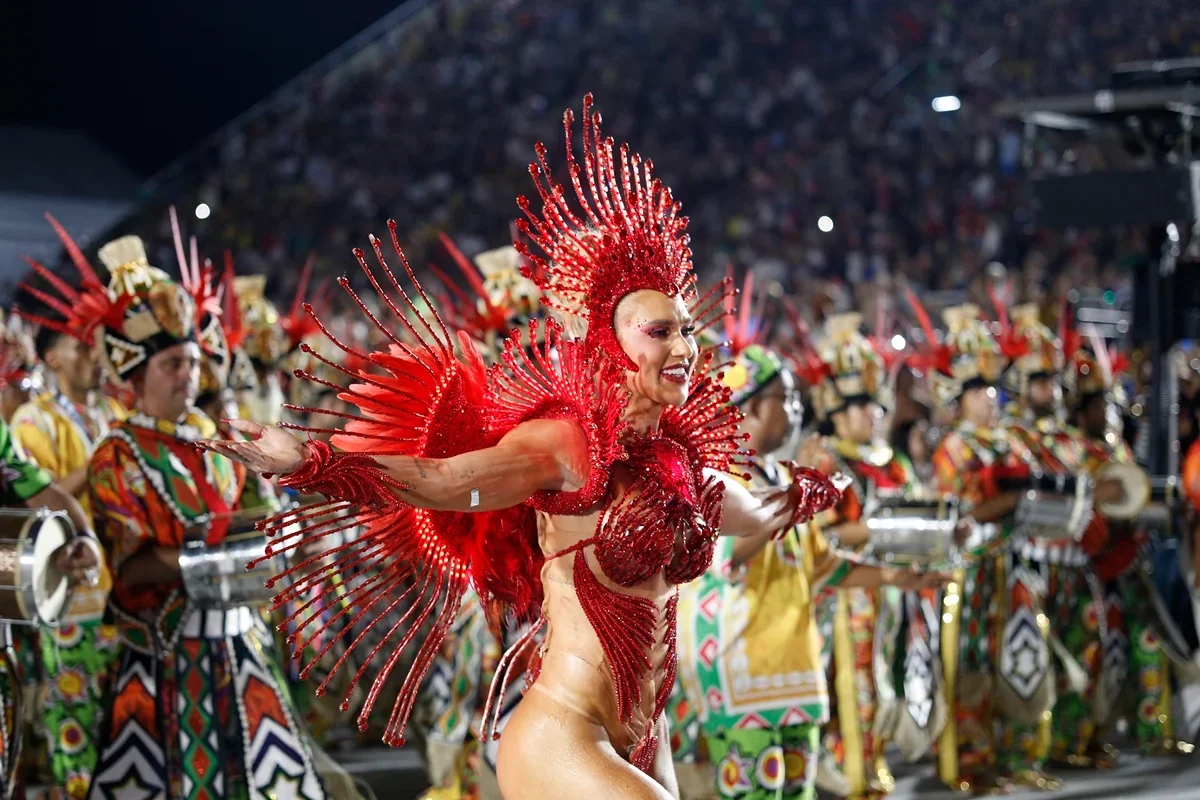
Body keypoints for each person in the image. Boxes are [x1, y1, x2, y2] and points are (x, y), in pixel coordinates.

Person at [201, 95, 845, 799]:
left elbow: (749, 509)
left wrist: (809, 493)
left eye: (687, 329)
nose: (685, 348)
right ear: (607, 341)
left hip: (645, 734)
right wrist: (317, 463)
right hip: (564, 736)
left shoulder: (679, 456)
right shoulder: (568, 443)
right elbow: (444, 479)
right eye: (660, 332)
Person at [85, 235, 328, 799]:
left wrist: (287, 527)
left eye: (193, 362)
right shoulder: (116, 454)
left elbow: (261, 516)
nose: (188, 375)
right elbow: (130, 564)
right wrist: (220, 560)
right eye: (172, 364)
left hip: (239, 642)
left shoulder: (217, 443)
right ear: (136, 375)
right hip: (164, 655)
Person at [9, 215, 127, 798]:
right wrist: (105, 456)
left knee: (119, 734)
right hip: (65, 594)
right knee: (74, 730)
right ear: (52, 358)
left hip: (118, 590)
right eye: (82, 348)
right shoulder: (33, 422)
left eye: (98, 347)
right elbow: (39, 508)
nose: (95, 358)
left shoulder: (114, 415)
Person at [999, 304, 1122, 782]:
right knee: (1029, 655)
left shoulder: (1073, 442)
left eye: (1052, 381)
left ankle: (1069, 743)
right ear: (1020, 385)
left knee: (1087, 648)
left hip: (1074, 563)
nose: (1048, 390)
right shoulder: (1010, 438)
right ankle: (1023, 754)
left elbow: (1109, 475)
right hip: (1029, 562)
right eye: (1038, 381)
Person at [915, 302, 1028, 794]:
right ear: (958, 399)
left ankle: (1004, 753)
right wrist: (1005, 503)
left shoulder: (1007, 441)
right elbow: (956, 515)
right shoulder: (954, 448)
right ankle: (969, 757)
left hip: (1009, 565)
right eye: (980, 391)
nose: (990, 399)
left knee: (1009, 656)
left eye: (992, 389)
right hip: (970, 571)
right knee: (970, 662)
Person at [1068, 342, 1191, 758]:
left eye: (1106, 404)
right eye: (1096, 406)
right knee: (1097, 652)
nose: (1104, 412)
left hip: (1130, 565)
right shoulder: (1071, 452)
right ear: (1080, 411)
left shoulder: (1116, 448)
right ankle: (1084, 738)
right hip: (1092, 570)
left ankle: (1153, 731)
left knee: (1149, 645)